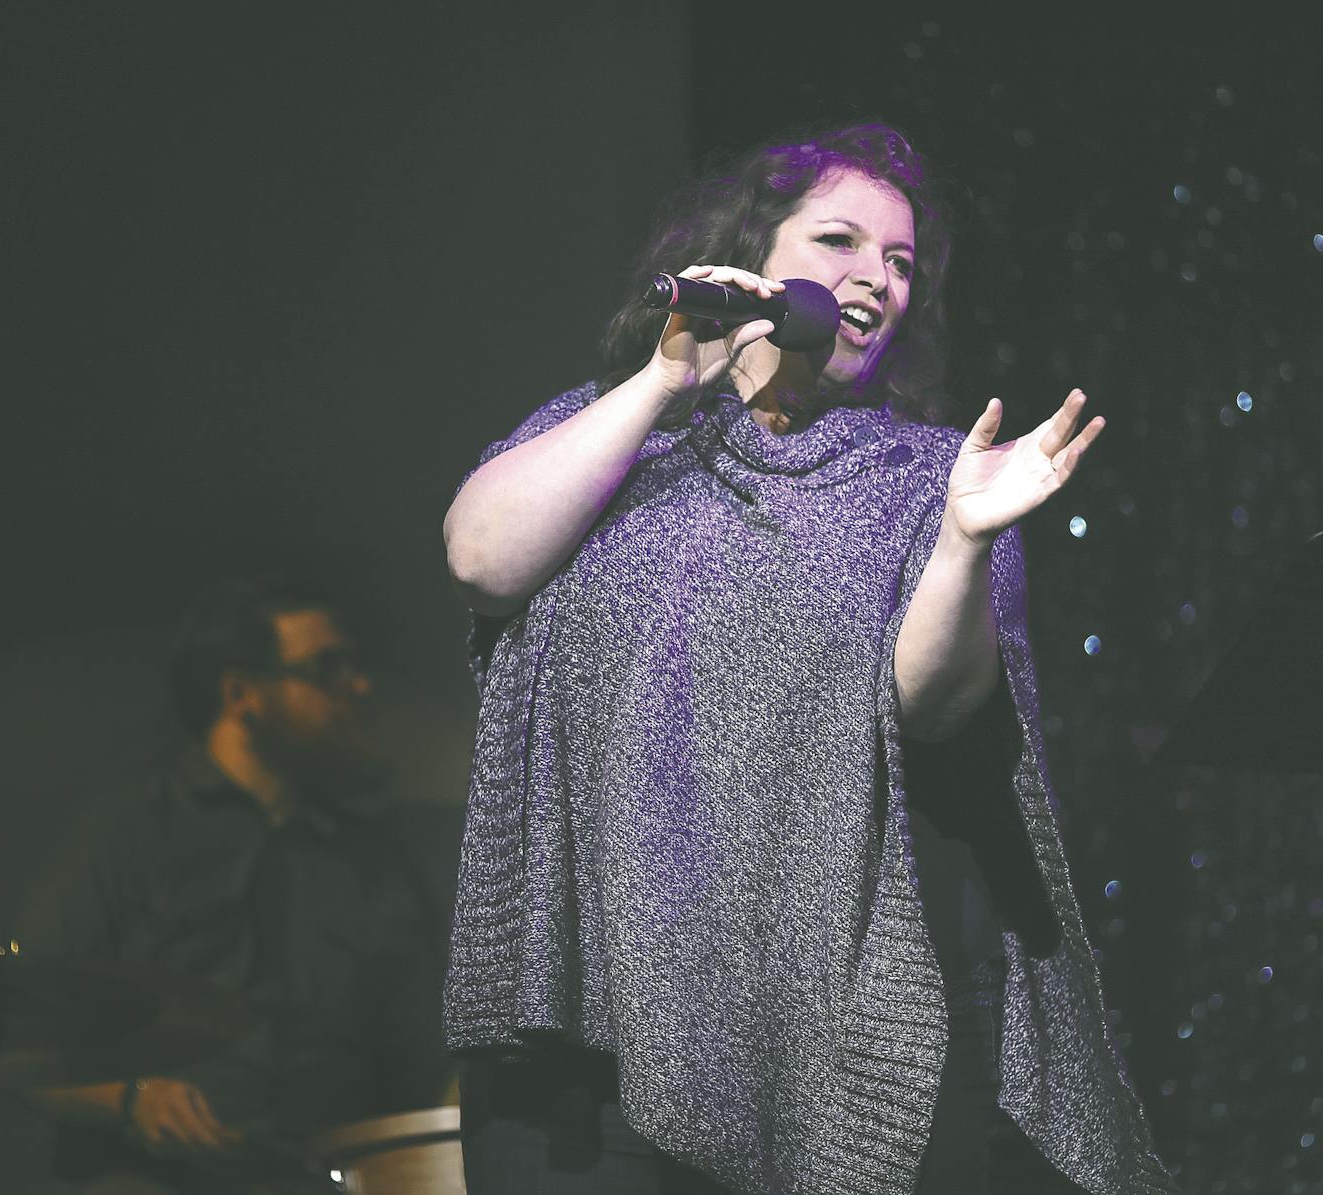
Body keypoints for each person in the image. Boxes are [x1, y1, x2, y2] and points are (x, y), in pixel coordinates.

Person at [441, 125, 1174, 1194]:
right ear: (749, 250)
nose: (873, 279)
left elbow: (932, 705)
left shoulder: (929, 480)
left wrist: (965, 539)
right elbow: (480, 557)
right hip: (582, 1027)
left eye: (900, 263)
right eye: (837, 241)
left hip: (813, 1028)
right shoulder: (604, 439)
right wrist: (662, 377)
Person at [19, 577, 459, 1194]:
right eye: (327, 667)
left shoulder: (370, 858)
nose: (358, 686)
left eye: (356, 666)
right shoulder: (130, 830)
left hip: (320, 1175)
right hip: (155, 1176)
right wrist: (131, 1101)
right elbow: (22, 1032)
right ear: (240, 694)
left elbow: (413, 1057)